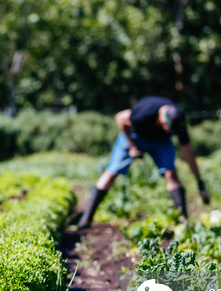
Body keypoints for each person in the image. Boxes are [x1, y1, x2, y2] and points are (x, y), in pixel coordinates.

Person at [78, 96, 210, 228]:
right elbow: (120, 117)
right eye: (170, 131)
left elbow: (189, 154)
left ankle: (183, 222)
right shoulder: (144, 112)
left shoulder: (178, 122)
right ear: (164, 123)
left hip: (159, 142)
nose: (172, 133)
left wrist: (200, 183)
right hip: (134, 136)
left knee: (171, 174)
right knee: (112, 172)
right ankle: (86, 218)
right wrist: (132, 146)